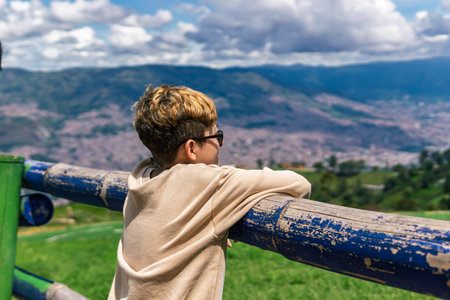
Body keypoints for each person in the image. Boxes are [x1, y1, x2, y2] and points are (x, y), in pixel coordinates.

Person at [108, 85, 311, 299]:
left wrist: (209, 222)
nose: (220, 145)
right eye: (217, 137)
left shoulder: (140, 178)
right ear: (192, 149)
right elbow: (298, 184)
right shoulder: (210, 183)